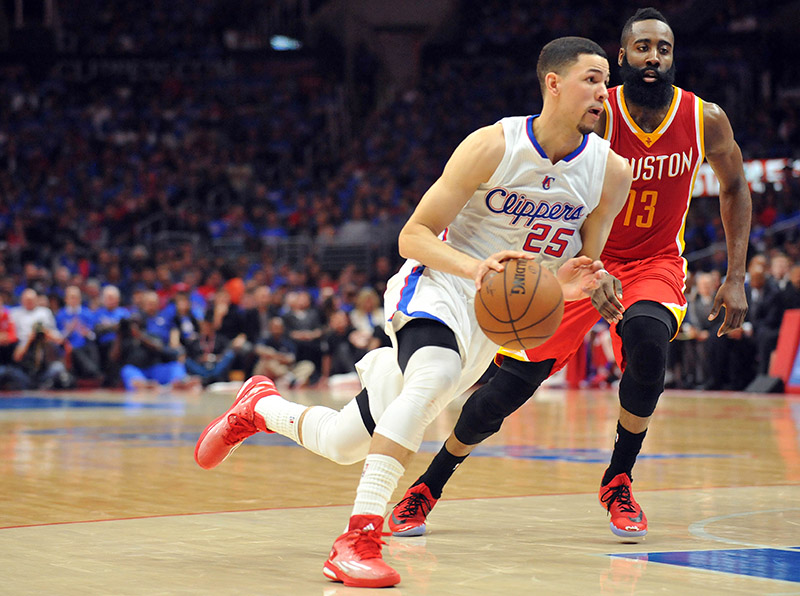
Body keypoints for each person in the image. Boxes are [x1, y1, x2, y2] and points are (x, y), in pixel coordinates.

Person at [195, 36, 632, 588]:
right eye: (592, 79)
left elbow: (580, 267)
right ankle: (357, 540)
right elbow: (412, 236)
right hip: (440, 285)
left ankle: (260, 407)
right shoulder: (493, 145)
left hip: (492, 320)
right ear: (553, 83)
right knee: (435, 379)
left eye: (604, 82)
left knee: (345, 444)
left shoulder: (611, 172)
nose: (603, 92)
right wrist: (476, 270)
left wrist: (582, 287)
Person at [387, 7, 751, 542]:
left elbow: (736, 185)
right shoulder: (596, 111)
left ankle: (619, 478)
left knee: (649, 339)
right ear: (622, 55)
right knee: (507, 389)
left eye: (664, 49)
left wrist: (736, 273)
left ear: (674, 57)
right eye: (643, 47)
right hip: (580, 263)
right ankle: (430, 484)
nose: (654, 57)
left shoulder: (705, 120)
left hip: (653, 263)